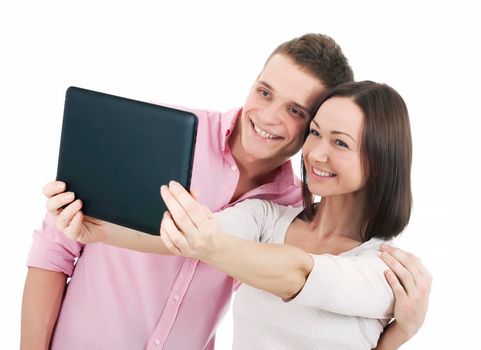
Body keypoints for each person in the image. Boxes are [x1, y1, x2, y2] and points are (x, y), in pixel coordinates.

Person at [22, 34, 429, 350]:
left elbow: (299, 274)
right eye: (264, 92)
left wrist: (403, 329)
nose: (268, 116)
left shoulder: (294, 213)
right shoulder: (163, 141)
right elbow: (57, 249)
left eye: (295, 111)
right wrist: (98, 230)